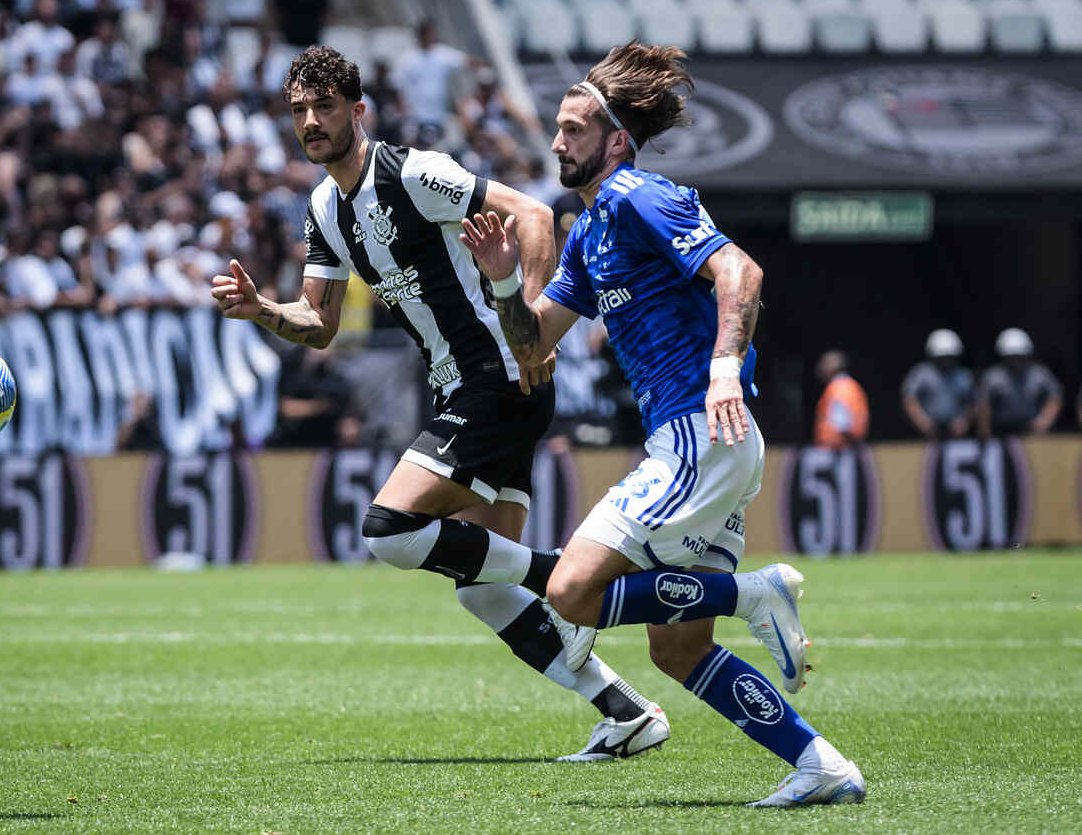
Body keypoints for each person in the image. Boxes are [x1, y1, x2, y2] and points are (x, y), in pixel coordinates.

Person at [212, 45, 669, 761]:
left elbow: (535, 215)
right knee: (482, 585)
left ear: (356, 110)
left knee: (389, 527)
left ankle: (563, 576)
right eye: (299, 110)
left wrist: (536, 335)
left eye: (324, 106)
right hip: (470, 388)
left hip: (494, 378)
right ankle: (626, 711)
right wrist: (262, 308)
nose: (310, 121)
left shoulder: (409, 170)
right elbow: (320, 324)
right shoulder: (326, 208)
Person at [457, 42, 865, 806]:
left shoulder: (639, 195)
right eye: (557, 127)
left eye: (575, 129)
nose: (556, 142)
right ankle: (821, 763)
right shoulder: (589, 231)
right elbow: (532, 347)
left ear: (615, 139)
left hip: (697, 433)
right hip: (706, 445)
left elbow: (740, 271)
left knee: (573, 593)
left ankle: (749, 593)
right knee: (679, 650)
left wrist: (721, 364)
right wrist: (507, 278)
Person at [976, 328, 1062, 437]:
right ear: (1003, 355)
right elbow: (983, 403)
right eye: (1011, 356)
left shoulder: (1040, 374)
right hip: (1000, 430)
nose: (1015, 361)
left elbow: (1055, 397)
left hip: (1031, 429)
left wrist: (1044, 420)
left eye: (1019, 356)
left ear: (1027, 354)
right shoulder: (992, 376)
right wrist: (985, 430)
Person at [901, 329, 975, 438]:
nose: (945, 361)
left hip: (956, 431)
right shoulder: (921, 374)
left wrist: (964, 421)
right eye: (941, 357)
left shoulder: (963, 376)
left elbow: (973, 402)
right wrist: (922, 422)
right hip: (926, 432)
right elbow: (909, 399)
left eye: (949, 357)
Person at [812, 349, 870, 449]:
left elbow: (842, 423)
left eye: (824, 363)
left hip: (838, 449)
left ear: (834, 367)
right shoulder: (848, 385)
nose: (820, 367)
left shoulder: (839, 387)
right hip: (845, 447)